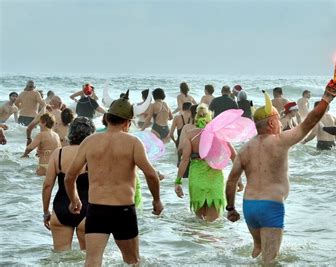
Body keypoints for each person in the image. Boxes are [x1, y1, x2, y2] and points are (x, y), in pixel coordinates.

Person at [225, 80, 336, 264]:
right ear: (271, 122)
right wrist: (327, 98)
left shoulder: (245, 149)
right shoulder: (280, 140)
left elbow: (231, 181)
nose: (280, 123)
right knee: (270, 261)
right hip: (270, 206)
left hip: (249, 207)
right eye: (278, 120)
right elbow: (309, 123)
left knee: (259, 251)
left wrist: (230, 208)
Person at [64, 91, 163, 266]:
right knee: (132, 261)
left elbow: (70, 176)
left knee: (92, 260)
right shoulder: (133, 143)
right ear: (128, 122)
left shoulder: (89, 141)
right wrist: (156, 200)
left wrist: (74, 199)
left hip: (96, 210)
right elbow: (151, 175)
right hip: (123, 210)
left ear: (107, 118)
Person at [175, 103, 236, 222]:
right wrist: (237, 179)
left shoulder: (190, 135)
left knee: (199, 221)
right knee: (214, 222)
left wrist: (178, 182)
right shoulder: (219, 134)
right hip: (215, 179)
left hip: (197, 178)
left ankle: (197, 240)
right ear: (210, 118)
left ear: (196, 118)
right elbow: (234, 156)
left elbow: (185, 159)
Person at [42, 117, 95, 251]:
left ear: (70, 133)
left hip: (61, 209)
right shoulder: (93, 154)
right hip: (88, 209)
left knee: (60, 258)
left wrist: (46, 212)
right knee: (88, 258)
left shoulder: (58, 153)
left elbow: (47, 186)